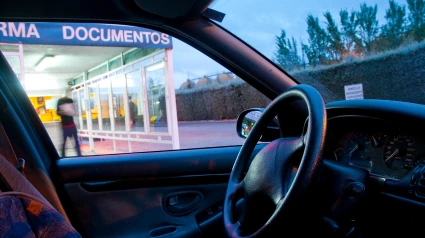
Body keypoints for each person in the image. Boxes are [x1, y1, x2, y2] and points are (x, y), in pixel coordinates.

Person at [57, 90, 82, 157]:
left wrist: (74, 113)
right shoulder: (60, 101)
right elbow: (58, 112)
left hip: (72, 124)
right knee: (64, 143)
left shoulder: (71, 100)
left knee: (76, 141)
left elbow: (74, 111)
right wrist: (63, 112)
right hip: (64, 125)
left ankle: (79, 155)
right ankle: (63, 156)